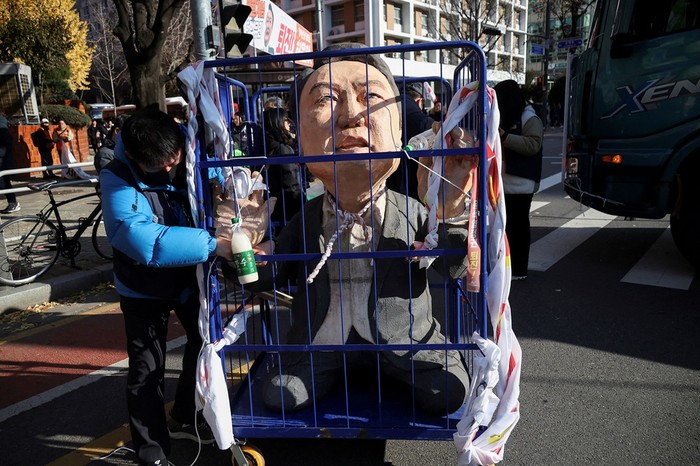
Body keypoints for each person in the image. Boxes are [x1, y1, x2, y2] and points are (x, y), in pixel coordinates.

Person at [248, 43, 474, 416]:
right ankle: (326, 363)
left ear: (399, 128)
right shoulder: (305, 219)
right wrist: (244, 251)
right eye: (325, 100)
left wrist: (448, 214)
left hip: (408, 342)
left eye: (369, 96)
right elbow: (271, 274)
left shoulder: (412, 210)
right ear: (300, 135)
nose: (351, 115)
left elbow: (451, 270)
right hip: (320, 343)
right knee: (280, 397)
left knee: (447, 391)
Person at [99, 108, 233, 466]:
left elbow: (216, 178)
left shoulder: (190, 148)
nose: (170, 169)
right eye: (160, 166)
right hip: (141, 286)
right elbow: (141, 240)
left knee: (204, 344)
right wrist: (213, 243)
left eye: (175, 161)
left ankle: (187, 413)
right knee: (147, 370)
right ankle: (153, 453)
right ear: (133, 157)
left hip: (190, 279)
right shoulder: (115, 176)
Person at [494, 79, 544, 280]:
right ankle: (507, 267)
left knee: (519, 228)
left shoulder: (529, 117)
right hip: (506, 182)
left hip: (522, 182)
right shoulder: (507, 115)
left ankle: (519, 269)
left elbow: (534, 145)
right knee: (507, 227)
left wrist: (506, 138)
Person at [386, 81, 436, 200]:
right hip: (416, 189)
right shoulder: (425, 122)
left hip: (386, 185)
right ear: (419, 101)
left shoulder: (384, 112)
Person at [261, 107, 304, 233]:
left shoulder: (268, 146)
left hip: (275, 208)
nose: (289, 123)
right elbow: (291, 183)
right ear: (277, 123)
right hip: (288, 210)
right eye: (285, 120)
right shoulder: (282, 149)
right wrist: (302, 203)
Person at [0, 111, 20, 214]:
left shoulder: (1, 125)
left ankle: (13, 203)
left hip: (2, 161)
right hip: (3, 161)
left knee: (3, 183)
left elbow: (7, 143)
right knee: (4, 183)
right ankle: (13, 203)